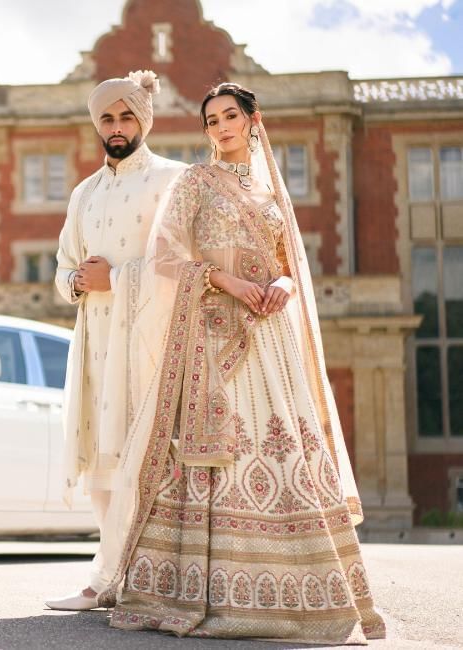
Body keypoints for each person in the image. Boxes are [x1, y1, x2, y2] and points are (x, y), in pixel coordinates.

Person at [95, 82, 386, 643]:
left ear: (254, 120)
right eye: (212, 121)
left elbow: (287, 265)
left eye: (231, 116)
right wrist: (222, 279)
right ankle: (201, 588)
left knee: (282, 444)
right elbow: (163, 257)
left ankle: (297, 593)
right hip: (212, 334)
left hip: (270, 337)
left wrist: (278, 283)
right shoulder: (195, 183)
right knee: (220, 450)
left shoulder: (273, 197)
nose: (222, 127)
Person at [45, 70, 186, 611]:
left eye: (127, 115)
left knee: (144, 460)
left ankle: (146, 579)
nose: (117, 126)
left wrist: (119, 277)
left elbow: (184, 263)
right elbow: (62, 268)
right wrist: (79, 281)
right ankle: (106, 578)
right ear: (96, 124)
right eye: (107, 117)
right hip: (94, 340)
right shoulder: (84, 192)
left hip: (148, 339)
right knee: (102, 463)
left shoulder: (173, 179)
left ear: (144, 119)